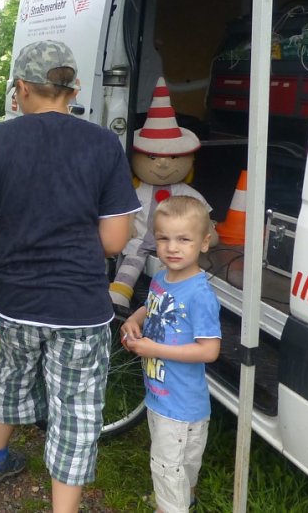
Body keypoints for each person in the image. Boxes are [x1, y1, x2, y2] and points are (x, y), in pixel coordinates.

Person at [0, 40, 140, 513]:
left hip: (14, 301)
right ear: (73, 88)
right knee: (75, 407)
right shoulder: (102, 142)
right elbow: (116, 241)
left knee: (14, 373)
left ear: (21, 88)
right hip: (78, 304)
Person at [119, 196, 221, 513]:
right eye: (163, 238)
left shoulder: (200, 294)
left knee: (168, 466)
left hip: (180, 406)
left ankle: (172, 506)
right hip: (162, 395)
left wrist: (152, 348)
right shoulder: (163, 277)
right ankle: (182, 500)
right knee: (179, 466)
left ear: (204, 243)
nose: (172, 248)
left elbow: (210, 350)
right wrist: (135, 321)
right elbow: (150, 309)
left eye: (183, 239)